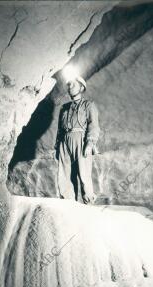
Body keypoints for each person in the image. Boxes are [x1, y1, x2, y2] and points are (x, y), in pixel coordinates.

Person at [54, 76, 99, 204]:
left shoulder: (88, 105)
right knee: (64, 174)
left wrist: (90, 143)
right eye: (69, 85)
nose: (70, 87)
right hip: (64, 141)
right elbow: (59, 129)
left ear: (81, 87)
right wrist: (57, 147)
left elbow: (94, 125)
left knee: (84, 174)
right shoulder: (64, 108)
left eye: (73, 84)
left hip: (81, 139)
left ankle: (88, 202)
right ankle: (68, 203)